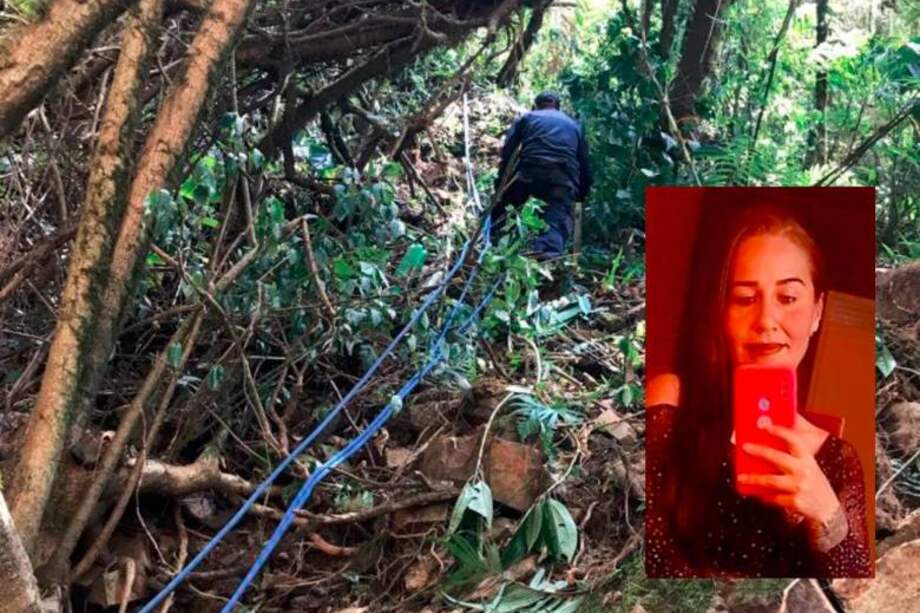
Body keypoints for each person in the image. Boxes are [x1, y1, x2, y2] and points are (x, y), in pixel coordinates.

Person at [645, 205, 873, 578]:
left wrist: (826, 515)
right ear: (722, 312)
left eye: (788, 298)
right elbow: (651, 552)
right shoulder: (673, 403)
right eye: (745, 298)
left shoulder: (839, 458)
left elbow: (856, 591)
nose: (766, 321)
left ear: (817, 312)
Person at [491, 92, 592, 259]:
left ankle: (497, 246)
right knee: (556, 217)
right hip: (561, 179)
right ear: (558, 107)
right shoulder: (574, 126)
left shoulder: (527, 118)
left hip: (528, 173)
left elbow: (508, 153)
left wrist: (501, 185)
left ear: (536, 105)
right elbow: (584, 165)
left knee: (507, 210)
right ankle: (545, 258)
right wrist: (580, 195)